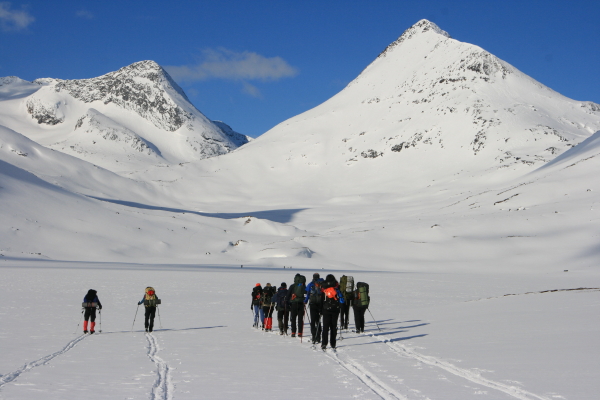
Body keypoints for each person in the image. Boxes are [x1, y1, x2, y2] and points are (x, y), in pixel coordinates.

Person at [320, 274, 344, 350]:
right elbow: (341, 299)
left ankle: (324, 343)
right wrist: (341, 308)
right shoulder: (337, 286)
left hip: (326, 309)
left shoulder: (324, 288)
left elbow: (321, 299)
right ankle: (333, 343)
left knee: (325, 327)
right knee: (333, 327)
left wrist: (321, 310)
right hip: (335, 309)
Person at [304, 273, 324, 343]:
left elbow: (307, 294)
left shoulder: (310, 284)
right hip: (320, 304)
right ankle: (319, 337)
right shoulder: (322, 284)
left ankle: (313, 336)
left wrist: (305, 301)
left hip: (312, 304)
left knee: (313, 321)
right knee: (318, 320)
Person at [285, 273, 306, 338]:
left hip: (293, 304)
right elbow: (306, 293)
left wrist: (287, 302)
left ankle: (293, 332)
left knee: (293, 318)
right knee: (300, 319)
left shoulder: (292, 286)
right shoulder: (303, 285)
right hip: (301, 304)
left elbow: (288, 295)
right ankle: (300, 332)